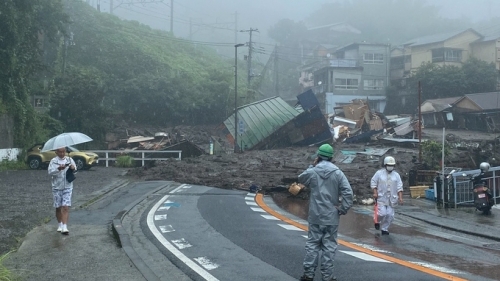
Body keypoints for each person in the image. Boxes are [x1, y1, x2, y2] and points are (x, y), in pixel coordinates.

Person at [298, 144, 353, 281]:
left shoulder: (313, 171)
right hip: (331, 216)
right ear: (331, 157)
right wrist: (343, 209)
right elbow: (348, 192)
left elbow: (301, 178)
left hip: (316, 215)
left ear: (318, 156)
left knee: (312, 245)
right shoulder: (338, 173)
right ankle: (327, 277)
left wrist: (312, 166)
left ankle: (308, 275)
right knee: (329, 247)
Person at [371, 156, 403, 235]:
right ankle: (377, 221)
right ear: (385, 165)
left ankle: (384, 229)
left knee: (390, 215)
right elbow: (373, 182)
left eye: (392, 165)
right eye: (389, 165)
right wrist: (375, 192)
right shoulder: (379, 173)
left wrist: (400, 198)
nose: (390, 166)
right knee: (382, 213)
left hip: (392, 199)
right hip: (381, 197)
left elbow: (399, 187)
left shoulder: (396, 175)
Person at [48, 147, 77, 235]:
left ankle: (65, 227)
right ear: (56, 152)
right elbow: (50, 172)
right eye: (60, 152)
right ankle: (60, 224)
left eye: (63, 151)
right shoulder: (53, 161)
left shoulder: (69, 159)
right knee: (58, 207)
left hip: (68, 186)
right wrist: (58, 169)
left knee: (65, 206)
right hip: (57, 187)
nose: (62, 153)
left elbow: (75, 172)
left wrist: (73, 168)